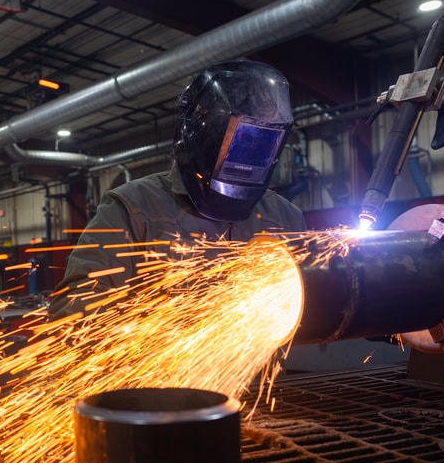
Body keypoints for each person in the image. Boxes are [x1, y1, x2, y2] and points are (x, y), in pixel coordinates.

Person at [48, 60, 305, 319]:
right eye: (244, 139)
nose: (248, 156)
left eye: (263, 142)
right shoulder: (133, 208)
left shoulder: (285, 217)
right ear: (205, 135)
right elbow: (72, 309)